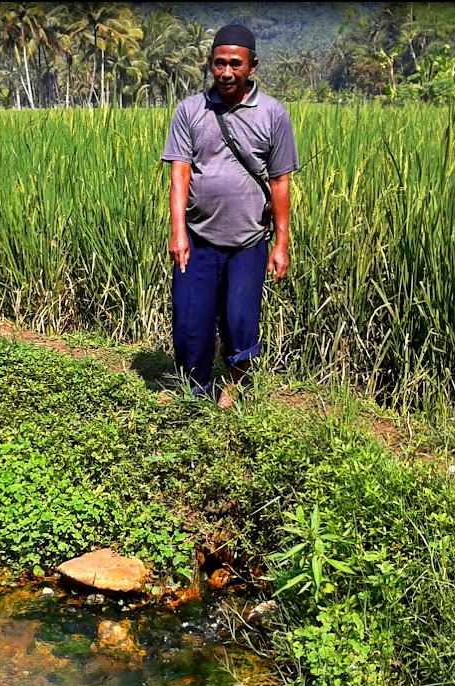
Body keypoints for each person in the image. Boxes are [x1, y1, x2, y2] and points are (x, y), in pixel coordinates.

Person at [160, 24, 298, 407]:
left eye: (235, 64)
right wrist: (178, 232)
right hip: (198, 236)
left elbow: (280, 181)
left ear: (252, 66)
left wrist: (282, 243)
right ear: (210, 65)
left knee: (240, 321)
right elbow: (179, 174)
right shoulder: (190, 110)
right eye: (219, 63)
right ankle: (196, 389)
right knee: (191, 322)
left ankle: (233, 386)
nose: (226, 72)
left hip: (249, 241)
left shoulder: (273, 114)